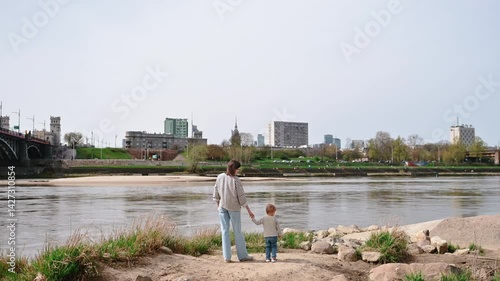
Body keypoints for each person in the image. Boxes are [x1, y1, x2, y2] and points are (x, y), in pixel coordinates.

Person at [213, 159, 255, 263]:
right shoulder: (236, 180)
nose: (239, 170)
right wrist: (249, 210)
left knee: (224, 231)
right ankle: (242, 256)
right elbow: (241, 197)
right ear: (234, 169)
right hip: (234, 208)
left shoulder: (220, 177)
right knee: (237, 232)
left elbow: (216, 191)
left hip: (222, 207)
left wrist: (218, 205)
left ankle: (227, 257)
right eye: (238, 169)